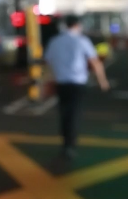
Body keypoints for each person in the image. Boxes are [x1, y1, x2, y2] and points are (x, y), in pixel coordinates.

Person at [43, 14, 110, 159]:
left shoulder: (55, 41)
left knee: (64, 112)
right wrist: (102, 81)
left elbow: (48, 64)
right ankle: (70, 145)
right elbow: (95, 62)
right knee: (74, 114)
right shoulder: (82, 41)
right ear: (77, 25)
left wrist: (46, 83)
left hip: (61, 82)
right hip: (77, 83)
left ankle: (65, 142)